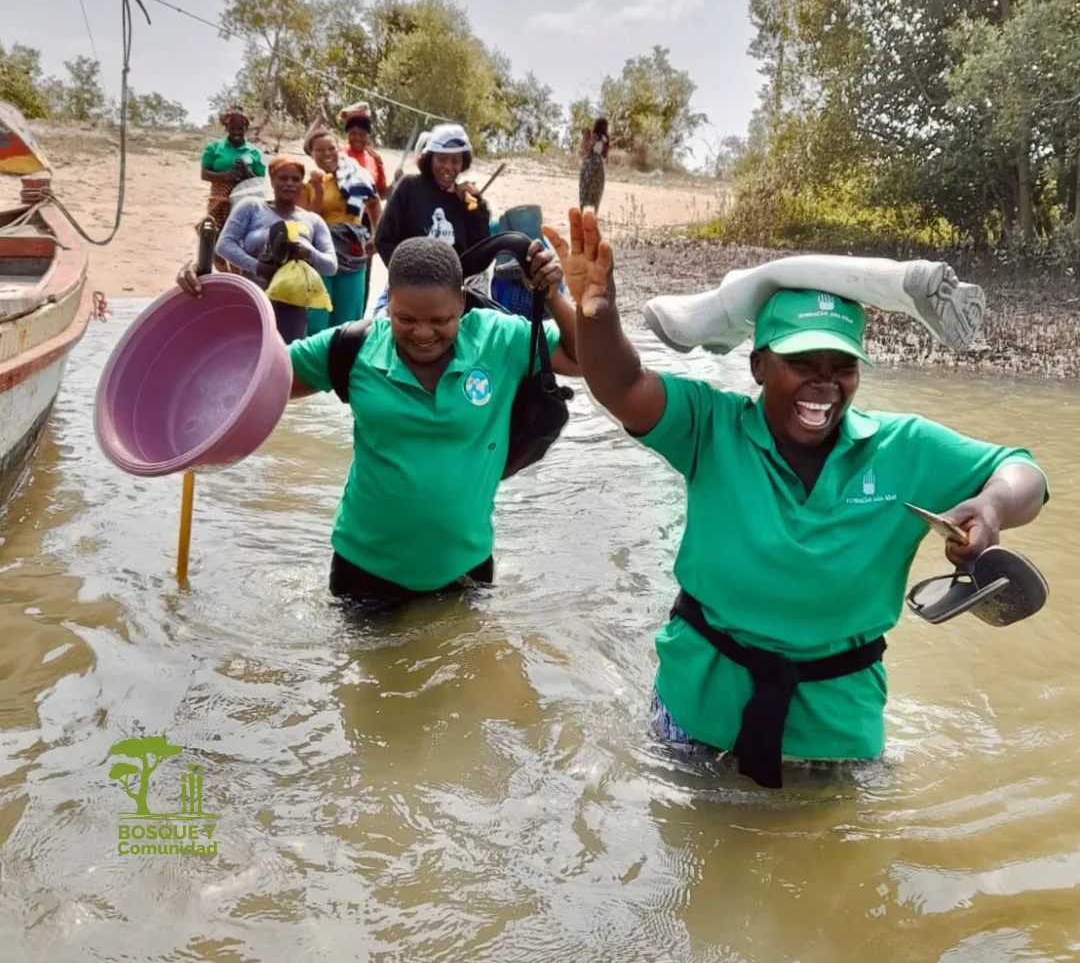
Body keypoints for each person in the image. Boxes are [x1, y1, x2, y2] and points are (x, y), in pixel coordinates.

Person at [546, 208, 1049, 788]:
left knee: (837, 846)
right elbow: (624, 385)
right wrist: (599, 312)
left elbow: (1025, 473)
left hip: (838, 731)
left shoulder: (904, 448)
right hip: (697, 714)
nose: (824, 383)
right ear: (758, 365)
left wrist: (992, 506)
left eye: (843, 366)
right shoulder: (711, 428)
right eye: (801, 363)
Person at [284, 235, 580, 604]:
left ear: (462, 301)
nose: (423, 334)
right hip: (363, 572)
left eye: (441, 320)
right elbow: (264, 375)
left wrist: (552, 297)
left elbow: (583, 359)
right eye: (405, 318)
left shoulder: (500, 340)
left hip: (466, 569)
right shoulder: (352, 348)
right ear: (388, 301)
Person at [176, 156, 337, 344]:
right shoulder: (252, 207)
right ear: (272, 180)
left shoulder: (313, 221)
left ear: (302, 184)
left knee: (287, 352)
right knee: (247, 347)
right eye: (283, 178)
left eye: (295, 179)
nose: (289, 184)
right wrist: (258, 267)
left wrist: (307, 251)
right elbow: (224, 245)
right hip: (252, 295)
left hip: (292, 303)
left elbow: (331, 266)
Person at [372, 123, 492, 316]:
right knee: (377, 330)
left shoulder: (466, 200)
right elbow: (384, 239)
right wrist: (407, 279)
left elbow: (481, 255)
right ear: (430, 159)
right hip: (406, 293)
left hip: (448, 300)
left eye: (456, 161)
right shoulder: (409, 187)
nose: (448, 167)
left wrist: (478, 208)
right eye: (441, 159)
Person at [299, 125, 380, 331]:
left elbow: (373, 203)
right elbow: (307, 223)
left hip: (353, 252)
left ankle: (344, 352)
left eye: (331, 148)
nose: (327, 154)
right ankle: (318, 352)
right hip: (319, 252)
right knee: (317, 316)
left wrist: (376, 234)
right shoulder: (306, 185)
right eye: (320, 150)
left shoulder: (356, 177)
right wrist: (318, 192)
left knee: (348, 320)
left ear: (338, 149)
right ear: (311, 154)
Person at [200, 105, 266, 232]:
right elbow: (204, 174)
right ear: (227, 128)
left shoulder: (255, 153)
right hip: (218, 201)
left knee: (239, 233)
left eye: (240, 128)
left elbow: (261, 183)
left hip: (244, 201)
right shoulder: (214, 148)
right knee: (211, 231)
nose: (236, 132)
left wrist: (247, 172)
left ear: (246, 128)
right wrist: (226, 176)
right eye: (232, 128)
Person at [339, 102, 389, 199]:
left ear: (367, 136)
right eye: (353, 133)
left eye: (362, 134)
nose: (358, 138)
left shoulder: (375, 159)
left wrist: (396, 182)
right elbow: (310, 149)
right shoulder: (337, 153)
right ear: (348, 134)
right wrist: (319, 120)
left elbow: (381, 195)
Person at [578, 118, 609, 213]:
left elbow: (587, 148)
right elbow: (604, 154)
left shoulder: (594, 136)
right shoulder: (605, 138)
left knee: (585, 185)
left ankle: (582, 210)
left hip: (589, 163)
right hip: (599, 164)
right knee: (597, 187)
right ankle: (595, 212)